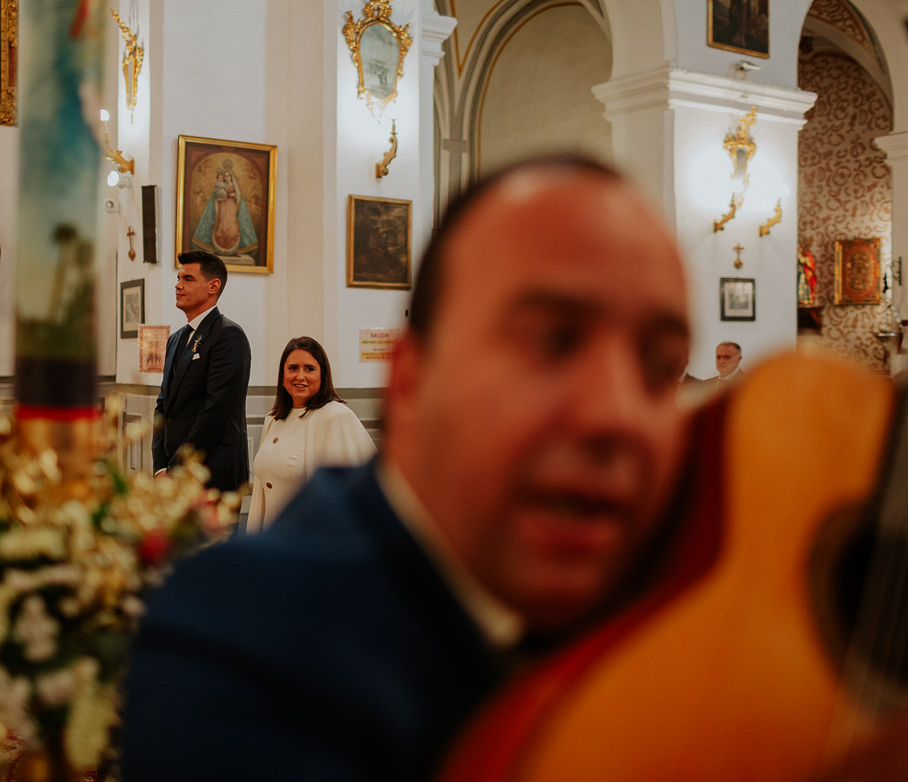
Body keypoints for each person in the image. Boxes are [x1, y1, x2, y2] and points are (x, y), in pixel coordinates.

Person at [119, 155, 692, 780]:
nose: (616, 417)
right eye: (551, 342)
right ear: (411, 383)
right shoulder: (239, 641)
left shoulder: (692, 623)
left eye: (659, 365)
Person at [247, 336, 377, 532]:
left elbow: (340, 499)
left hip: (310, 541)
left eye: (309, 369)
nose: (300, 376)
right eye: (293, 368)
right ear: (282, 377)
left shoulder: (335, 417)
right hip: (274, 538)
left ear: (322, 376)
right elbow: (262, 493)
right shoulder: (273, 419)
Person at [151, 250, 251, 493]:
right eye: (178, 278)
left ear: (213, 286)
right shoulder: (176, 339)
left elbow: (215, 411)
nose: (178, 286)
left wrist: (177, 468)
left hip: (210, 470)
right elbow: (163, 405)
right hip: (171, 469)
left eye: (188, 279)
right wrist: (160, 466)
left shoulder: (228, 336)